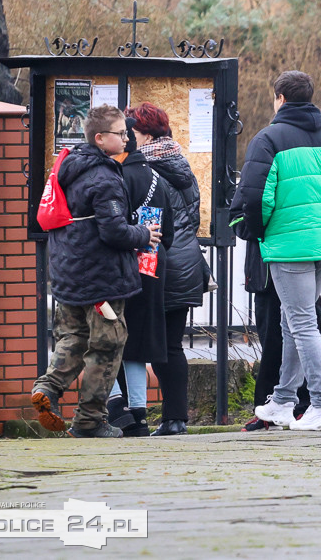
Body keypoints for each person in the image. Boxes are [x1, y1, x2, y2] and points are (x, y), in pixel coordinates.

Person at [230, 70, 321, 431]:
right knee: (292, 321)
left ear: (280, 99)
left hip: (288, 246)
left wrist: (260, 232)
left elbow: (255, 197)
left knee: (301, 324)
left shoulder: (268, 138)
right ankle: (283, 402)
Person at [30, 105, 162, 438]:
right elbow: (114, 232)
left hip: (67, 273)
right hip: (102, 278)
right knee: (107, 344)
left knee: (73, 337)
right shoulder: (104, 176)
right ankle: (90, 420)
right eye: (120, 133)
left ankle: (46, 389)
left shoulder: (67, 167)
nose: (127, 136)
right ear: (101, 138)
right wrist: (144, 234)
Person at [128, 102, 210, 437]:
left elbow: (153, 224)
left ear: (144, 132)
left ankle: (137, 417)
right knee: (172, 345)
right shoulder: (180, 163)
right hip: (187, 263)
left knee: (139, 343)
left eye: (130, 131)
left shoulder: (144, 168)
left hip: (160, 263)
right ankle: (175, 418)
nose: (127, 137)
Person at [107, 118, 175, 437]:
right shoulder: (154, 177)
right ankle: (139, 413)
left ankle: (116, 406)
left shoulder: (115, 177)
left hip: (119, 266)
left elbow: (110, 228)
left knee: (108, 336)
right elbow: (166, 233)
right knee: (135, 343)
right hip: (148, 266)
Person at [236, 234, 320, 431]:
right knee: (275, 343)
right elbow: (241, 220)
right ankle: (273, 409)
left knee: (302, 338)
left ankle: (307, 406)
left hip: (302, 259)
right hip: (269, 270)